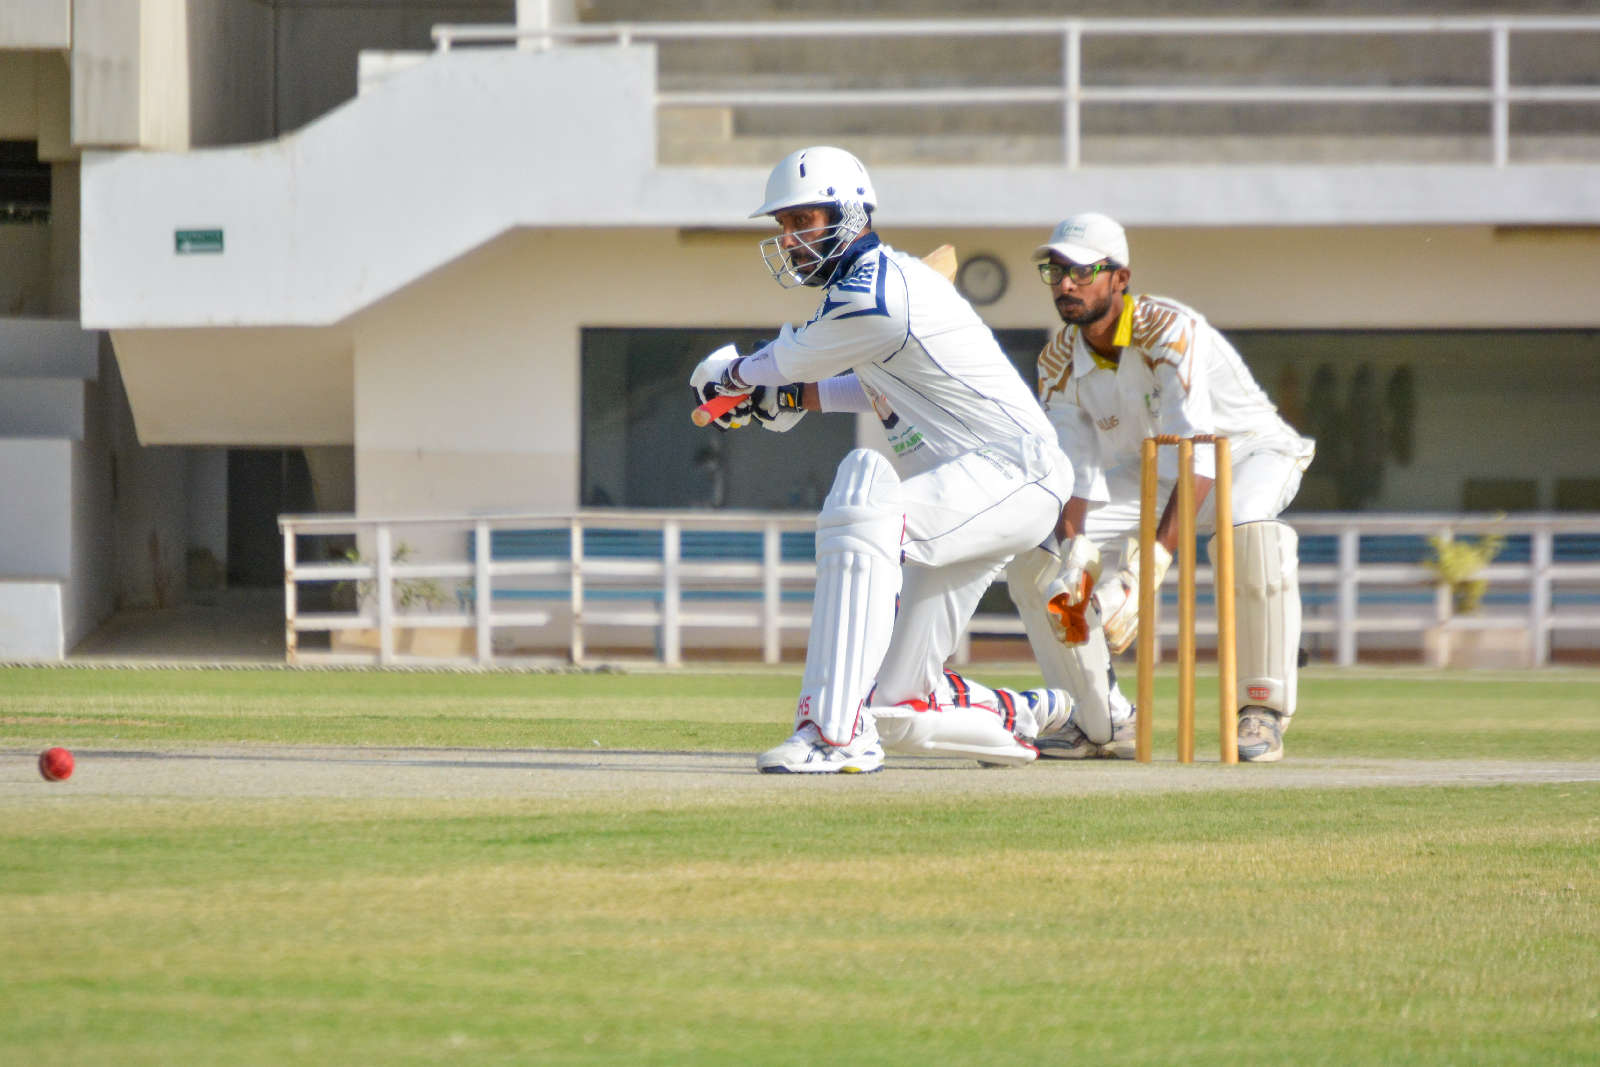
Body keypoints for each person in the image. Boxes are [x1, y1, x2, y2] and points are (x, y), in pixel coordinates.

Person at [690, 145, 1093, 774]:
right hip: (971, 492)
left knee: (864, 511)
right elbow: (867, 386)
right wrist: (788, 395)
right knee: (899, 708)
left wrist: (732, 376)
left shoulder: (876, 293)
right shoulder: (867, 296)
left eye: (803, 221)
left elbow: (786, 360)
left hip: (1013, 471)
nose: (790, 239)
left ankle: (833, 735)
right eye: (784, 225)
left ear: (850, 214)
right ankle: (1023, 713)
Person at [1010, 212, 1315, 762]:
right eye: (1056, 272)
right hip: (1155, 471)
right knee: (1038, 553)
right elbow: (1075, 471)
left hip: (1247, 452)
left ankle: (1261, 709)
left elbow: (1200, 450)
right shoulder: (1057, 361)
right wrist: (1074, 554)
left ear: (1120, 278)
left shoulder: (1168, 330)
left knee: (1248, 529)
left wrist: (1143, 570)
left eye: (1082, 271)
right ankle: (1100, 718)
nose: (1066, 284)